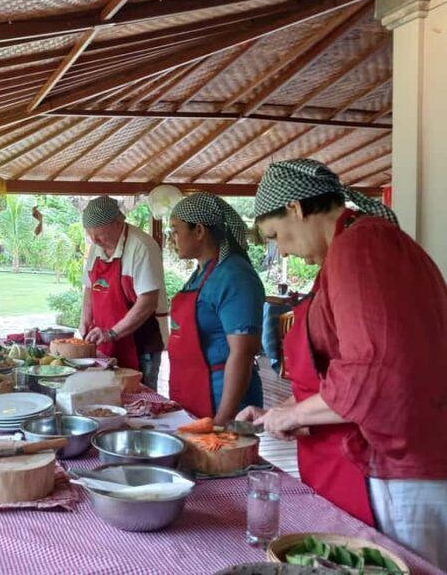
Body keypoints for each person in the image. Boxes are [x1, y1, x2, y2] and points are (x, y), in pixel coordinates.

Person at [238, 158, 447, 569]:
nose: (280, 249)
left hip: (401, 466)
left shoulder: (361, 248)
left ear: (296, 207)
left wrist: (297, 410)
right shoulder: (362, 246)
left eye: (276, 234)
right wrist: (287, 413)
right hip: (400, 459)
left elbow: (373, 372)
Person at [167, 192, 264, 423]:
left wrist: (224, 418)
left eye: (175, 230)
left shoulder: (235, 276)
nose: (171, 239)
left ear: (199, 231)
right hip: (194, 388)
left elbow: (243, 352)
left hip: (223, 397)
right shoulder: (200, 273)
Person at [80, 196, 167, 389]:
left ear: (118, 223)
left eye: (100, 235)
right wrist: (85, 321)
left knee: (140, 401)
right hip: (106, 342)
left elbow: (148, 302)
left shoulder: (142, 246)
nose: (94, 240)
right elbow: (89, 287)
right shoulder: (97, 248)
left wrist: (112, 332)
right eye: (90, 235)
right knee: (107, 396)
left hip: (140, 345)